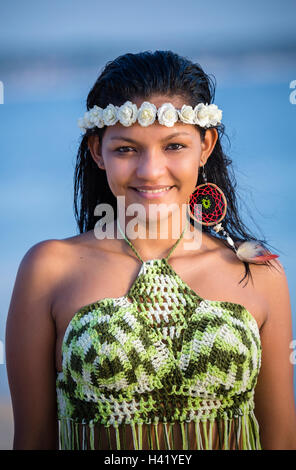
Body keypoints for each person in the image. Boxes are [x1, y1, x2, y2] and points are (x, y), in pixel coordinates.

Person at [5, 50, 296, 450]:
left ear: (205, 146)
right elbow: (33, 441)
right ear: (97, 151)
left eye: (174, 146)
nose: (150, 170)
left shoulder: (260, 273)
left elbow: (281, 440)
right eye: (126, 149)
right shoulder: (48, 269)